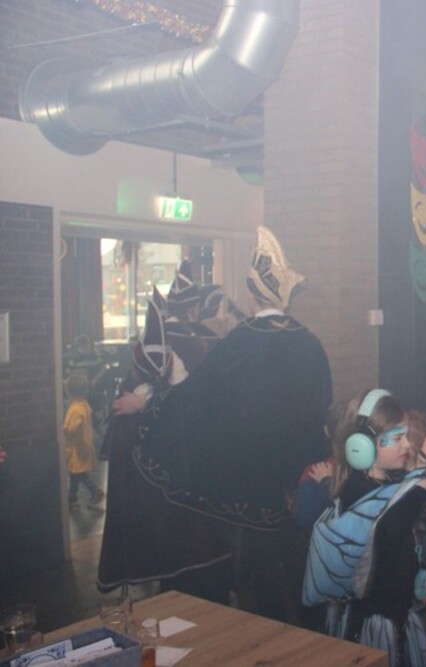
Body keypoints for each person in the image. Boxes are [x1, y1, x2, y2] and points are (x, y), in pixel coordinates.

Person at [136, 225, 333, 621]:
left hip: (250, 480)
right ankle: (309, 633)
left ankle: (263, 631)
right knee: (300, 557)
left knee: (260, 567)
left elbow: (198, 399)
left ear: (251, 294)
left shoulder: (241, 341)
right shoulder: (310, 342)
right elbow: (322, 404)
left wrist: (149, 405)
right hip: (300, 475)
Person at [97, 298, 232, 600]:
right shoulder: (195, 347)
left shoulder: (166, 394)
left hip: (189, 498)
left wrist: (145, 404)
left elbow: (193, 407)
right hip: (182, 500)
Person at [303, 389, 426, 666]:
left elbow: (406, 539)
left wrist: (424, 578)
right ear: (362, 446)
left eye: (406, 435)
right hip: (374, 621)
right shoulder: (354, 491)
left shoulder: (392, 481)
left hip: (400, 609)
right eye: (396, 438)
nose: (407, 444)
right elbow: (388, 528)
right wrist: (424, 471)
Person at [64, 373, 104, 510]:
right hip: (84, 445)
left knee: (78, 474)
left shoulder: (75, 409)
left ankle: (94, 492)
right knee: (76, 474)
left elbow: (70, 428)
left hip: (76, 448)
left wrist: (61, 431)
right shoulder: (84, 405)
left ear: (68, 391)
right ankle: (72, 498)